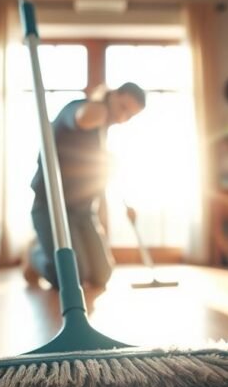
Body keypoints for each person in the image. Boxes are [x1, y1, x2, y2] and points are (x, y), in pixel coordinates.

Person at [24, 82, 146, 290]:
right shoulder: (80, 109)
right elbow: (83, 117)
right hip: (52, 209)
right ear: (114, 95)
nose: (122, 118)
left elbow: (96, 175)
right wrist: (100, 107)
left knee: (102, 275)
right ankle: (35, 256)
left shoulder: (104, 133)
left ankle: (48, 252)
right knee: (73, 277)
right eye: (123, 109)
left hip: (83, 212)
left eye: (130, 116)